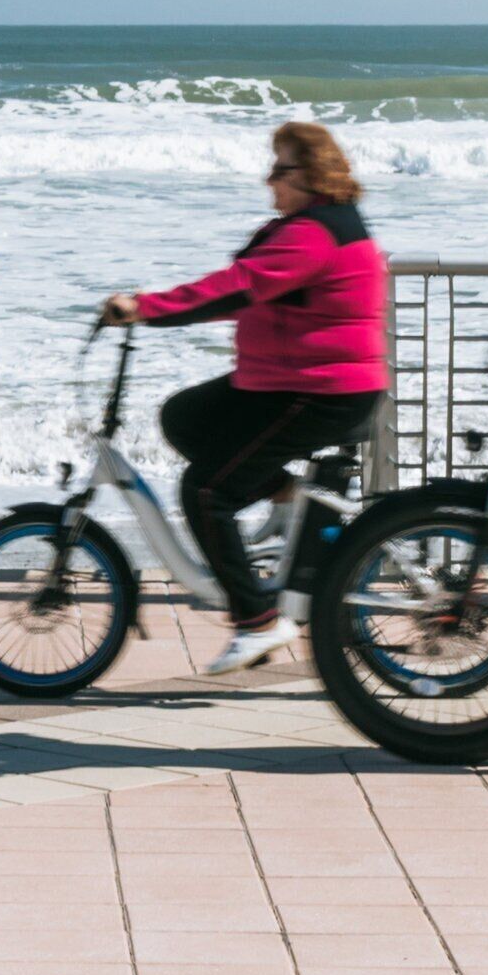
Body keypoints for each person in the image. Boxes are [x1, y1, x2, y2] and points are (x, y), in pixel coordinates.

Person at [98, 120, 389, 676]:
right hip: (291, 380)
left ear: (312, 176)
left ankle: (257, 620)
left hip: (320, 390)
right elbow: (244, 289)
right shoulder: (309, 226)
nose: (268, 179)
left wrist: (145, 307)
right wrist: (156, 308)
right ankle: (286, 495)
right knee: (186, 417)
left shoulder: (313, 234)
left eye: (280, 169)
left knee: (206, 489)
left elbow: (237, 287)